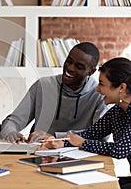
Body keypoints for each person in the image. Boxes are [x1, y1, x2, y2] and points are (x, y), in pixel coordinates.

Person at [41, 57, 131, 189]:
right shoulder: (117, 111)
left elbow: (120, 150)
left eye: (101, 84)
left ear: (121, 87)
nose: (97, 89)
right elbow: (91, 133)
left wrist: (82, 143)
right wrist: (62, 142)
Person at [0, 42, 107, 143]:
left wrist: (54, 137)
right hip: (39, 152)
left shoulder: (99, 95)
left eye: (79, 67)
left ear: (91, 72)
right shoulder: (43, 85)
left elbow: (100, 135)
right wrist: (10, 132)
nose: (70, 68)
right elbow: (14, 120)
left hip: (81, 155)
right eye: (69, 61)